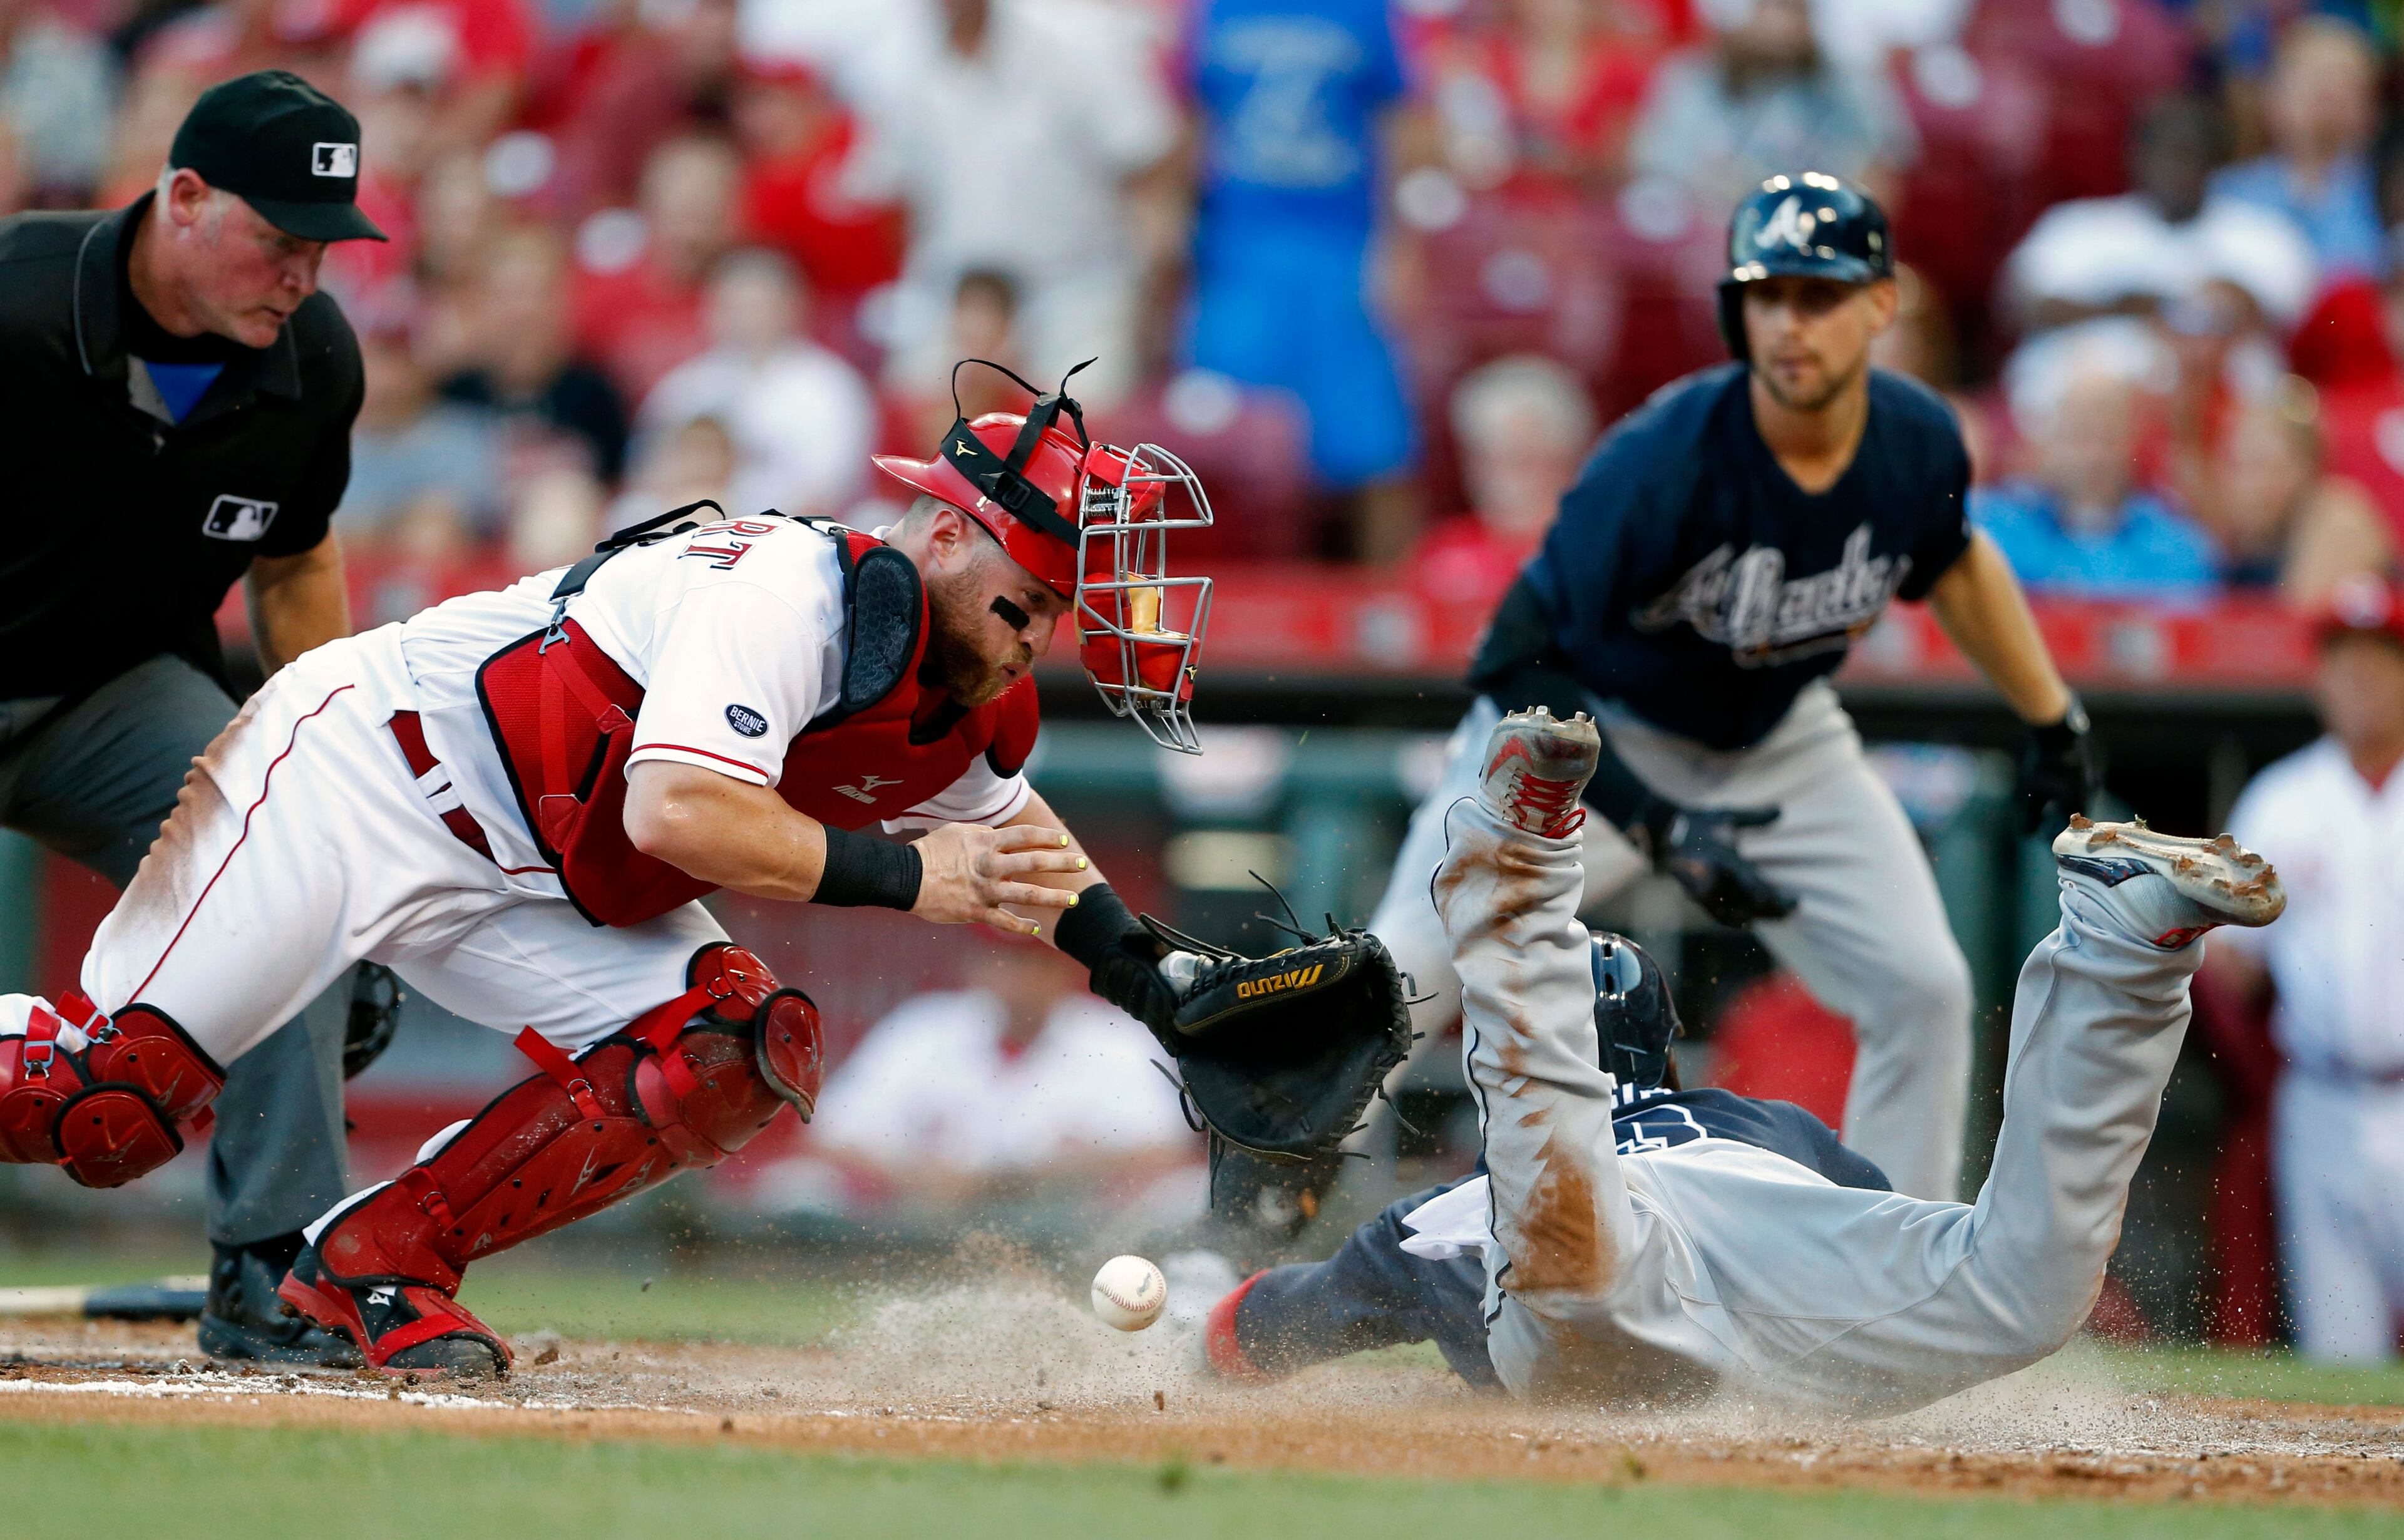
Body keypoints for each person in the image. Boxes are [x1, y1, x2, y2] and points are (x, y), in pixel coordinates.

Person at [0, 362, 1211, 1379]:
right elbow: (680, 808)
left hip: (530, 871)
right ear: (946, 532)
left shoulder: (954, 682)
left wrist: (1153, 976)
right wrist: (911, 879)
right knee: (103, 1108)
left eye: (1058, 611)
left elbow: (1019, 846)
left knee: (733, 1046)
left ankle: (376, 1265)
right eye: (1030, 599)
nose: (1040, 637)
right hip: (363, 777)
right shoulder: (789, 593)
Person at [1347, 175, 2091, 1211]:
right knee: (1405, 974)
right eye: (1767, 295)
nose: (1791, 323)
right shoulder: (1668, 456)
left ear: (1880, 307)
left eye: (1821, 296)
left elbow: (1956, 564)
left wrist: (2053, 716)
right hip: (1586, 734)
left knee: (1922, 990)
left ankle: (1887, 1279)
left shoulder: (1915, 442)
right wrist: (1662, 824)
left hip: (1778, 737)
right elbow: (1514, 660)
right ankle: (1256, 1210)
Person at [1201, 707, 2283, 1410]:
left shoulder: (1466, 1200)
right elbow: (1878, 1223)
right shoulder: (1761, 1124)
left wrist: (1196, 1343)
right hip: (1772, 1239)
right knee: (2021, 1289)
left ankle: (1519, 871)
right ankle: (2120, 949)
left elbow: (1269, 1327)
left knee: (1578, 1282)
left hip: (1609, 1240)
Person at [0, 69, 393, 1367]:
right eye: (280, 237)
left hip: (108, 694)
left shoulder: (315, 359)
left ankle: (275, 1266)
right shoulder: (16, 303)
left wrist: (343, 786)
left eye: (323, 247)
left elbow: (294, 562)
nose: (303, 274)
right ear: (182, 198)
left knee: (296, 854)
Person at [2211, 576, 2404, 1362]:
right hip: (2319, 1093)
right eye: (2342, 659)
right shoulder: (2281, 799)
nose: (2358, 679)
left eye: (2379, 659)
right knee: (2341, 1352)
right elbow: (2231, 971)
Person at [1184, 0, 1425, 563]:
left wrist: (1400, 246)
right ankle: (1236, 621)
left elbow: (1401, 127)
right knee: (1227, 447)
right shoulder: (1215, 12)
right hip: (1239, 255)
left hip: (1341, 252)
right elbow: (1195, 126)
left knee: (1374, 445)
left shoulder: (1367, 12)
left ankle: (1388, 615)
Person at [1971, 366, 2223, 600]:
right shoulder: (1999, 530)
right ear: (2045, 443)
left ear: (2131, 443)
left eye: (2107, 437)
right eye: (2078, 437)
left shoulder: (2175, 543)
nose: (2094, 455)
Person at [2209, 19, 2386, 286]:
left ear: (2371, 109)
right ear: (2273, 98)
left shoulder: (2387, 198)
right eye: (2314, 83)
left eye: (2346, 86)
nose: (2328, 99)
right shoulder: (2228, 195)